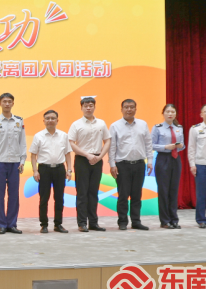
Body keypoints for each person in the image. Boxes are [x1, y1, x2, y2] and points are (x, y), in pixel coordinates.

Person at [109, 99, 153, 231]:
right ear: (121, 109)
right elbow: (112, 147)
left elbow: (148, 143)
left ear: (135, 109)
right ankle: (122, 222)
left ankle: (136, 221)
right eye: (126, 107)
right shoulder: (115, 126)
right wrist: (112, 164)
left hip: (139, 164)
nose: (129, 109)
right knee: (123, 195)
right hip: (122, 165)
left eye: (132, 107)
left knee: (136, 195)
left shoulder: (143, 124)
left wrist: (150, 161)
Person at [68, 97, 111, 232]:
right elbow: (71, 143)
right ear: (81, 107)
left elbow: (107, 140)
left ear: (94, 107)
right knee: (82, 192)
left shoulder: (101, 123)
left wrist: (100, 157)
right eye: (86, 105)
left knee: (93, 192)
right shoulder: (76, 124)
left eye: (91, 105)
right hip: (82, 160)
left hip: (97, 160)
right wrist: (87, 155)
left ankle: (93, 222)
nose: (88, 108)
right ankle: (82, 223)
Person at [0, 93, 26, 235]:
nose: (7, 104)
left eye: (10, 101)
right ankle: (2, 224)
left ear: (13, 103)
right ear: (0, 103)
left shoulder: (19, 121)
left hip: (15, 162)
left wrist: (22, 160)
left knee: (14, 195)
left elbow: (22, 142)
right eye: (4, 101)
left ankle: (12, 224)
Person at [29, 110, 72, 234]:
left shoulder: (63, 135)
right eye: (47, 118)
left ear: (57, 120)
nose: (50, 120)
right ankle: (44, 224)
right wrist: (35, 171)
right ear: (43, 121)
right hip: (44, 169)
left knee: (59, 198)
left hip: (59, 169)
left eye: (53, 118)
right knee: (44, 198)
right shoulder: (38, 136)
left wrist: (69, 169)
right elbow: (33, 155)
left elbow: (67, 154)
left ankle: (58, 224)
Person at [151, 104, 185, 229]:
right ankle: (165, 221)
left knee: (174, 190)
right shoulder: (157, 128)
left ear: (175, 114)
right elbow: (152, 145)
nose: (170, 114)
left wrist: (180, 146)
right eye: (168, 111)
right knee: (164, 190)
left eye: (172, 112)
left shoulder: (179, 128)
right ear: (163, 113)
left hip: (175, 159)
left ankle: (174, 219)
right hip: (163, 159)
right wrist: (165, 147)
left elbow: (183, 145)